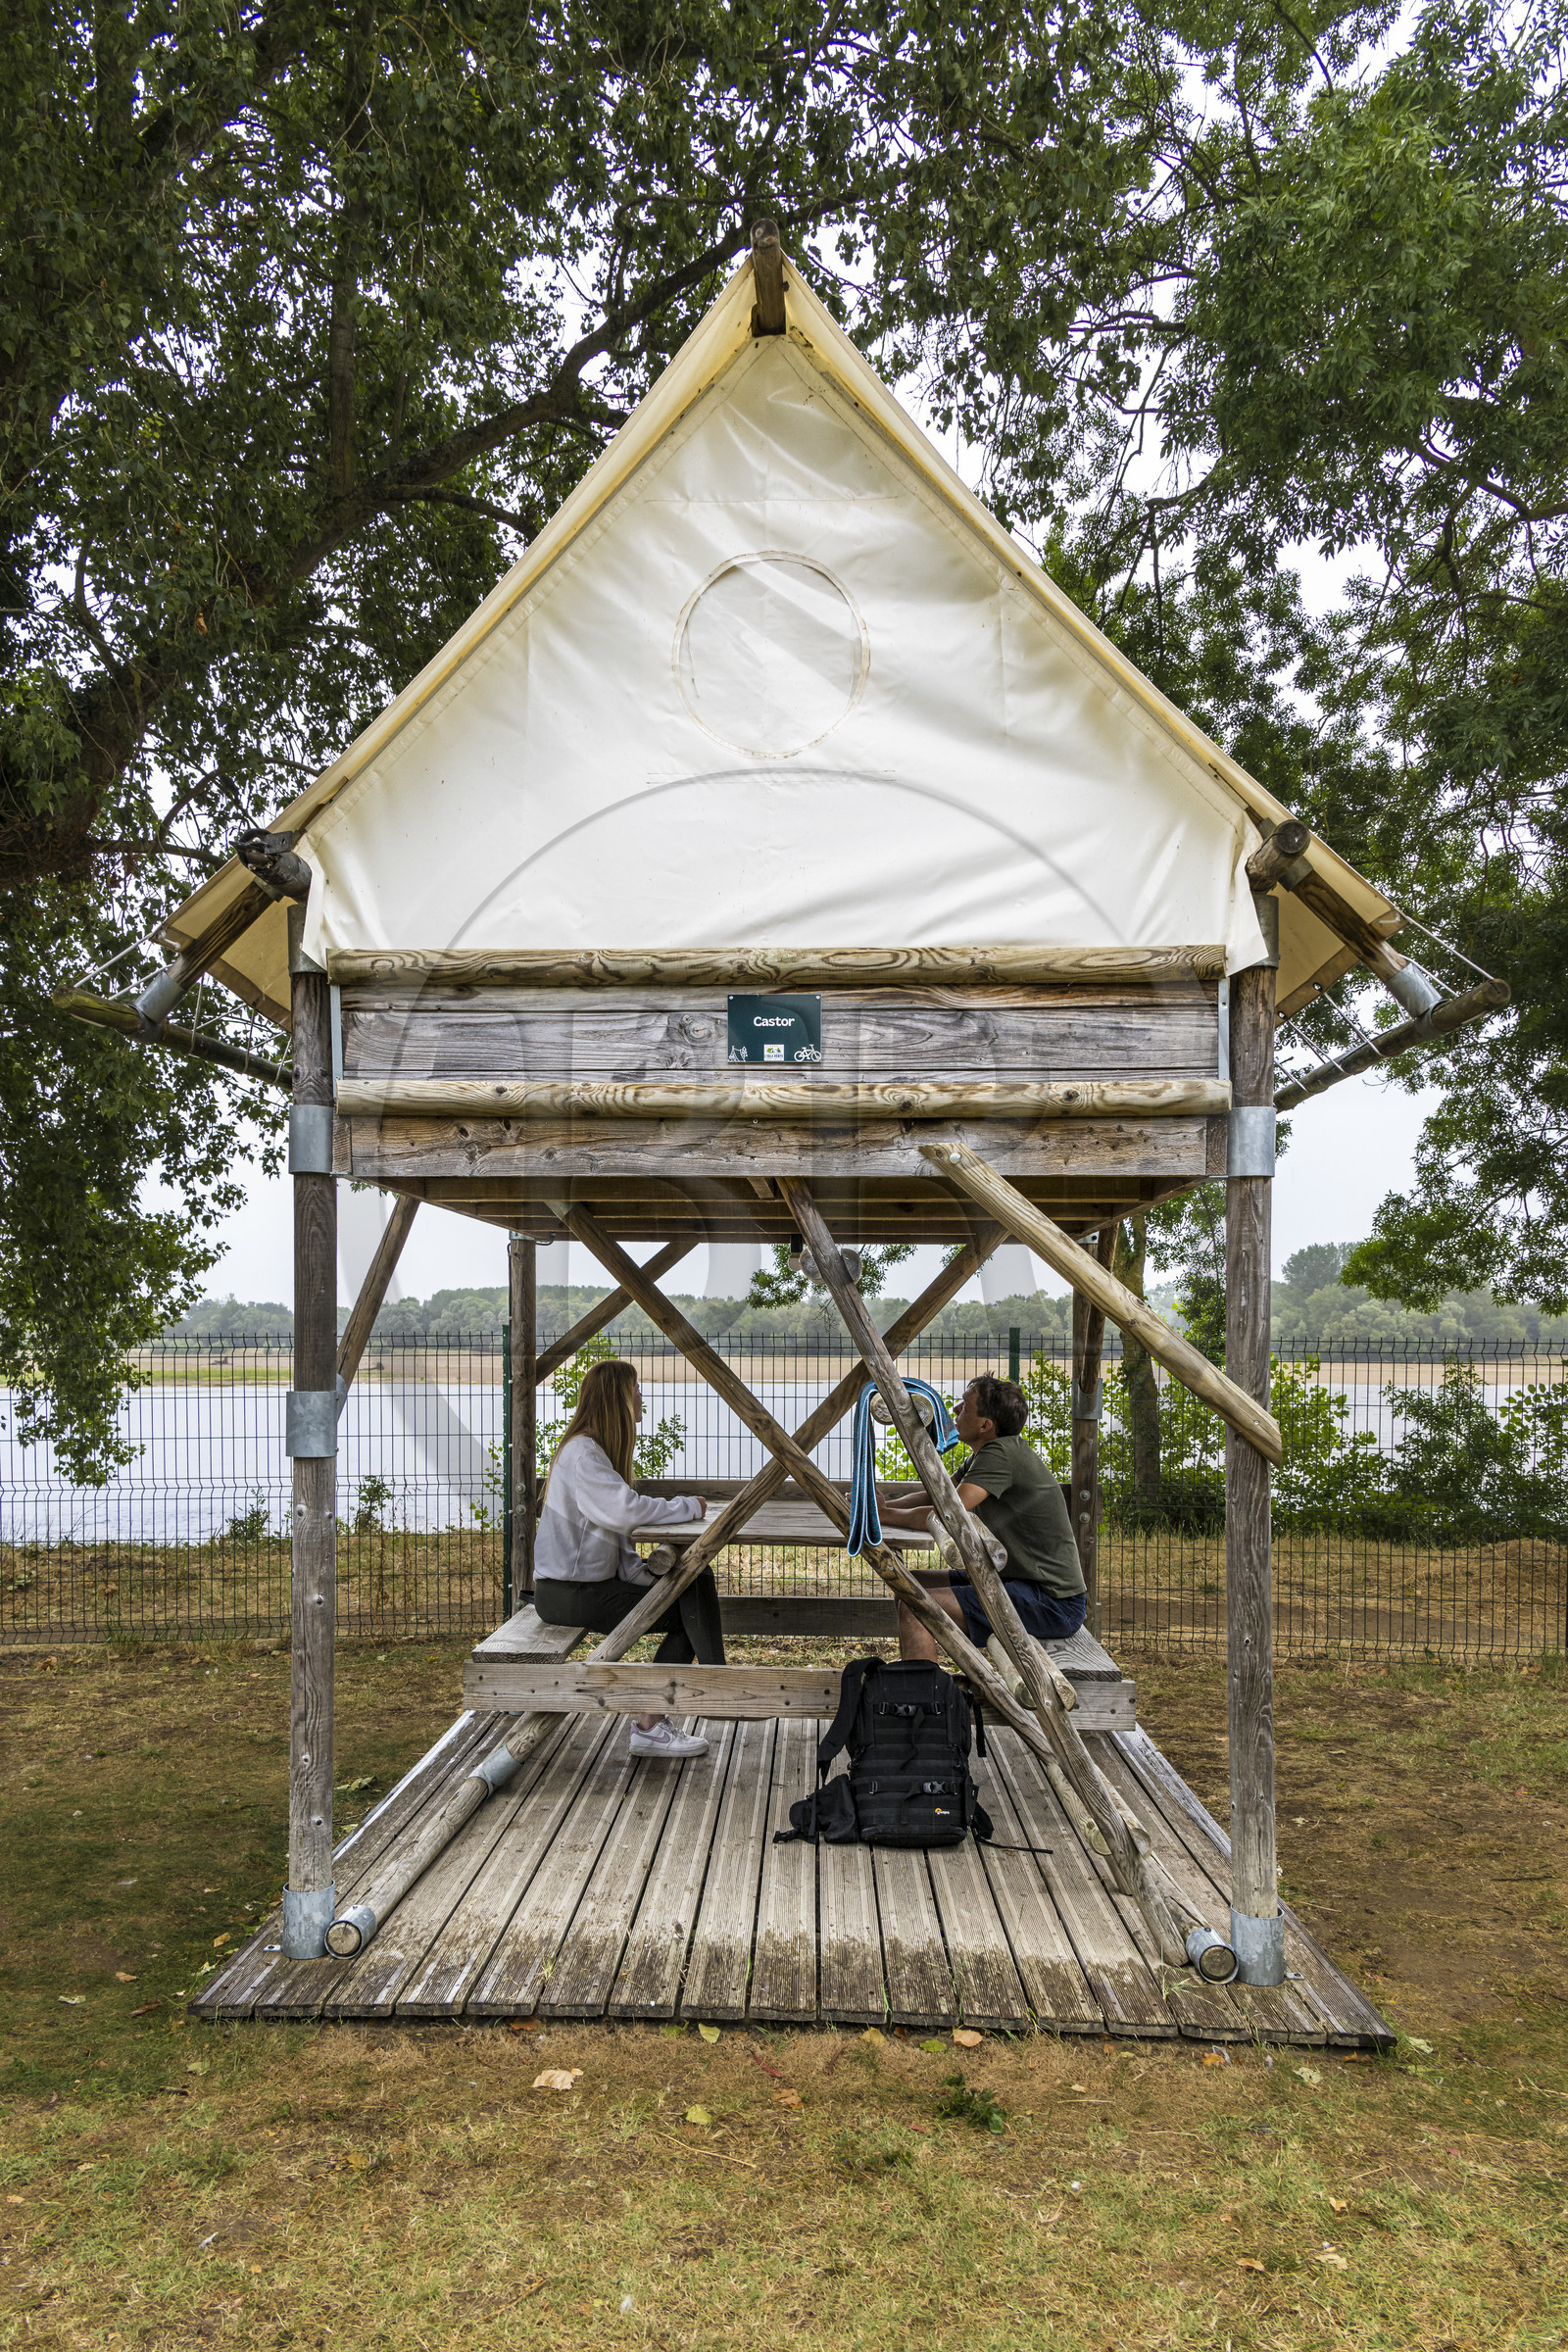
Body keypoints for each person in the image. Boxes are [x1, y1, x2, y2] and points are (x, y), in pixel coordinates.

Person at [532, 1357, 723, 1757]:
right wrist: (689, 1506)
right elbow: (626, 1511)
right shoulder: (583, 1454)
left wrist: (647, 1578)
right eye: (636, 1390)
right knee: (689, 1607)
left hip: (584, 1588)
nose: (641, 1398)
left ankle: (701, 1693)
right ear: (616, 1398)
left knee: (694, 1581)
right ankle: (708, 1694)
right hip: (570, 1593)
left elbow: (616, 1540)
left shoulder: (592, 1452)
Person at [876, 1373, 1086, 1660]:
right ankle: (932, 1675)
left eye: (964, 1405)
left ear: (985, 1425)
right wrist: (885, 1506)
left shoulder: (1000, 1455)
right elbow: (937, 1495)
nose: (956, 1409)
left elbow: (950, 1513)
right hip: (1019, 1584)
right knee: (911, 1583)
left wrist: (886, 1514)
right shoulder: (987, 1453)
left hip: (1053, 1602)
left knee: (916, 1604)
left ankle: (923, 1688)